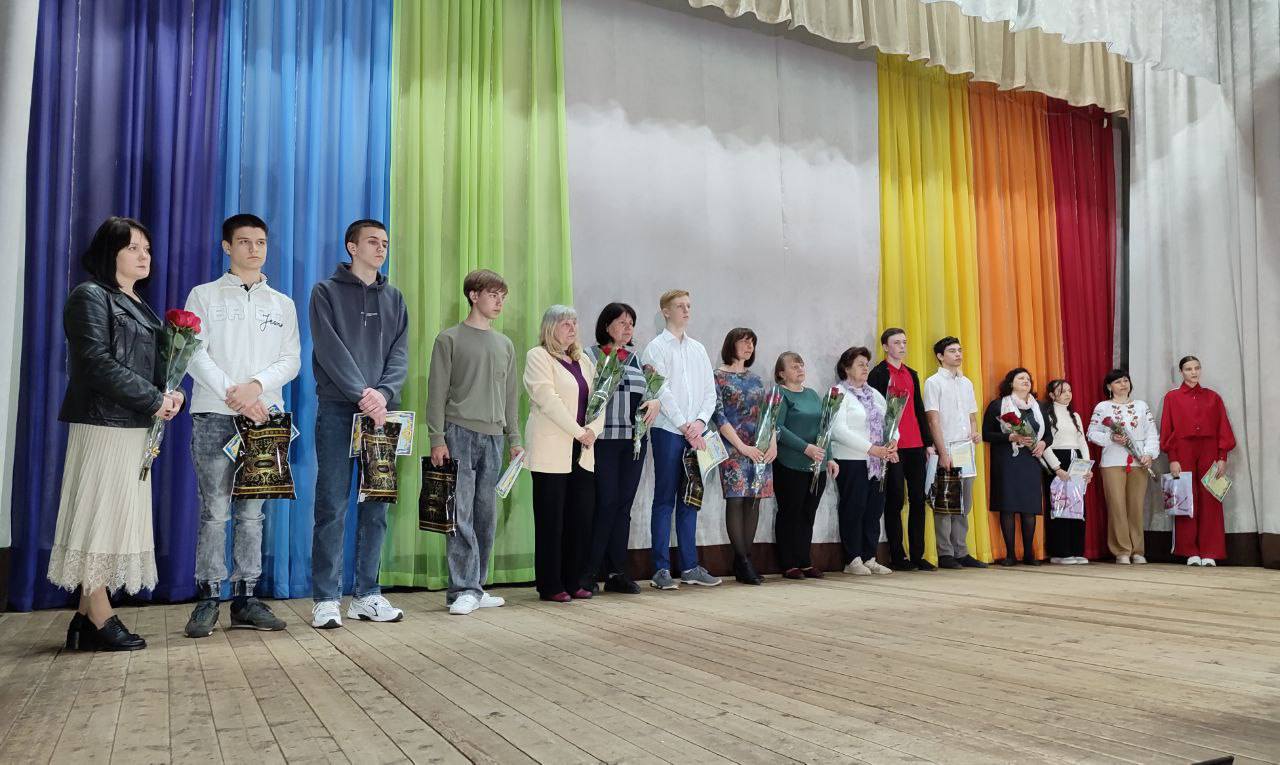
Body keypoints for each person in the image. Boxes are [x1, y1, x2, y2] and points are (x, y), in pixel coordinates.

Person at [51, 216, 182, 651]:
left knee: (111, 517)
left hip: (134, 424)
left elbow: (153, 365)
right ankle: (100, 615)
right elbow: (95, 363)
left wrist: (172, 394)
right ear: (111, 253)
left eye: (147, 248)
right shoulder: (90, 296)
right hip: (103, 423)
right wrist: (153, 398)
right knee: (99, 516)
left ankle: (84, 620)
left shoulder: (138, 303)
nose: (144, 256)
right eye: (133, 248)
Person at [183, 214, 300, 638]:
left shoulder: (282, 303)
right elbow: (193, 352)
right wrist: (233, 393)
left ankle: (246, 597)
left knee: (252, 514)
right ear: (227, 247)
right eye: (245, 241)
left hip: (264, 419)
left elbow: (291, 360)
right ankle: (208, 597)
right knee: (214, 510)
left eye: (261, 242)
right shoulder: (204, 296)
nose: (254, 249)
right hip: (215, 413)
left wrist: (256, 388)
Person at [309, 219, 408, 628]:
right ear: (352, 246)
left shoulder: (395, 297)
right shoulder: (325, 292)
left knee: (376, 507)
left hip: (382, 415)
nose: (381, 248)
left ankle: (367, 594)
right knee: (332, 505)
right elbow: (328, 347)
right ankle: (326, 598)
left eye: (385, 242)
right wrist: (362, 393)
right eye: (372, 241)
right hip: (338, 408)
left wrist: (382, 394)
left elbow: (400, 352)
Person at [427, 269, 524, 614]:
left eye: (502, 297)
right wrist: (437, 438)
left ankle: (476, 587)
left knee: (486, 514)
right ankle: (462, 589)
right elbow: (436, 393)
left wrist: (515, 438)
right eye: (493, 295)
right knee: (461, 512)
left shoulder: (505, 344)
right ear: (473, 295)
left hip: (495, 437)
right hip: (458, 434)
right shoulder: (449, 339)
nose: (499, 302)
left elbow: (511, 397)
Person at [524, 306, 605, 602]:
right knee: (551, 520)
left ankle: (574, 580)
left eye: (574, 322)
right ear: (550, 327)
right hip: (552, 448)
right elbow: (548, 400)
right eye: (565, 323)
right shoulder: (538, 356)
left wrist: (592, 430)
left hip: (583, 449)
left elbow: (599, 400)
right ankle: (550, 584)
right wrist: (578, 431)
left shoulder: (584, 360)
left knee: (580, 518)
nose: (572, 328)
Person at [641, 290, 721, 589]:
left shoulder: (698, 348)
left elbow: (710, 392)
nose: (686, 310)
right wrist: (684, 425)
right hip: (668, 431)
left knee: (691, 499)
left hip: (695, 433)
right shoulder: (655, 348)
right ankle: (661, 569)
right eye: (679, 306)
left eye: (688, 305)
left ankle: (689, 567)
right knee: (664, 499)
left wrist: (699, 423)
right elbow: (660, 391)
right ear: (665, 311)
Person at [585, 303, 659, 595]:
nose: (628, 328)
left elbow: (650, 392)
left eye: (631, 323)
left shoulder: (637, 359)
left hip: (634, 441)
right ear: (607, 325)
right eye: (622, 322)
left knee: (623, 507)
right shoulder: (591, 355)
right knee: (605, 504)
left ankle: (617, 572)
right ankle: (589, 572)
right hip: (603, 440)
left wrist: (655, 400)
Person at [712, 327, 776, 585]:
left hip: (759, 446)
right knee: (736, 499)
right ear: (731, 344)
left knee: (754, 500)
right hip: (733, 446)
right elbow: (719, 416)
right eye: (744, 342)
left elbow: (769, 414)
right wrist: (741, 447)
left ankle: (745, 560)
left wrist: (772, 444)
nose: (749, 346)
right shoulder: (718, 376)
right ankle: (742, 559)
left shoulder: (757, 379)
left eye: (752, 343)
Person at [868, 328, 935, 571]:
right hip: (894, 446)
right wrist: (886, 444)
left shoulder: (911, 374)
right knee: (895, 500)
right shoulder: (878, 374)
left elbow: (918, 408)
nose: (902, 346)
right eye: (897, 343)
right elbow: (876, 414)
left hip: (916, 444)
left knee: (918, 499)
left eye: (904, 342)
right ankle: (898, 555)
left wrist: (928, 443)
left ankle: (918, 554)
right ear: (886, 347)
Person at [1160, 356, 1236, 566]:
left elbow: (1223, 428)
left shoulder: (1213, 397)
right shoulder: (1172, 398)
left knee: (1211, 498)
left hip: (1209, 449)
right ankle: (1189, 550)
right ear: (1181, 372)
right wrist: (1173, 458)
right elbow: (1167, 428)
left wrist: (1222, 457)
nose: (1193, 372)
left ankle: (1210, 551)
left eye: (1196, 368)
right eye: (1188, 369)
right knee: (1186, 497)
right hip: (1183, 449)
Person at [922, 336, 988, 570]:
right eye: (952, 351)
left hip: (965, 449)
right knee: (945, 502)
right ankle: (945, 553)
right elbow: (933, 420)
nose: (958, 354)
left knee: (964, 502)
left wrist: (975, 432)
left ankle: (961, 551)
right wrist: (942, 452)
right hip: (947, 447)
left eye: (959, 350)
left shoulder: (966, 383)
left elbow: (972, 416)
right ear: (940, 356)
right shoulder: (933, 382)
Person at [772, 352, 839, 579]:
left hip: (816, 466)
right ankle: (788, 563)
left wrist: (829, 457)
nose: (800, 369)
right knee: (790, 513)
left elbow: (824, 427)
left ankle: (804, 561)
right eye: (794, 366)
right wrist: (805, 448)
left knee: (808, 513)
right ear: (781, 373)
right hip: (790, 463)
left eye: (801, 365)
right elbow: (778, 428)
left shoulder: (812, 394)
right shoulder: (779, 394)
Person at [830, 346, 896, 576]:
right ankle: (852, 559)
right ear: (846, 368)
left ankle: (870, 557)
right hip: (851, 460)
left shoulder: (874, 394)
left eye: (867, 364)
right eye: (860, 364)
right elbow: (838, 430)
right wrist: (871, 449)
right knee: (853, 508)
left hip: (877, 461)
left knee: (873, 510)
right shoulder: (837, 392)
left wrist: (893, 441)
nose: (866, 368)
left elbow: (891, 422)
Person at [1087, 369, 1159, 565]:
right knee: (1117, 506)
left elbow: (1152, 433)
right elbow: (1091, 433)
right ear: (1109, 386)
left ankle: (1138, 550)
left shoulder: (1141, 406)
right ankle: (1122, 550)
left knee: (1136, 506)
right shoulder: (1103, 407)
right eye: (1118, 382)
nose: (1123, 384)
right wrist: (1111, 437)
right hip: (1112, 462)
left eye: (1125, 380)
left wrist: (1149, 453)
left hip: (1138, 461)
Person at [982, 368, 1051, 567]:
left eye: (1028, 378)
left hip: (1031, 460)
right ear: (1011, 383)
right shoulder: (998, 405)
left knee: (1030, 507)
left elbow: (1049, 435)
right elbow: (986, 434)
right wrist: (1011, 437)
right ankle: (1010, 555)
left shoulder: (1040, 406)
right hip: (1007, 460)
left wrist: (1043, 444)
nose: (1026, 381)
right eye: (1021, 378)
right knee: (1008, 506)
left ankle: (1029, 553)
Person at [1040, 379, 1093, 565]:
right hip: (1058, 461)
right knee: (1060, 506)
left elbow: (1082, 442)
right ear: (1052, 395)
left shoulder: (1075, 415)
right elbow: (1045, 444)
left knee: (1077, 506)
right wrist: (1056, 468)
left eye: (1069, 390)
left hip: (1076, 461)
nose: (1067, 394)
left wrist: (1087, 467)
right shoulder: (1046, 414)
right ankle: (1060, 552)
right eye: (1062, 391)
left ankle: (1076, 549)